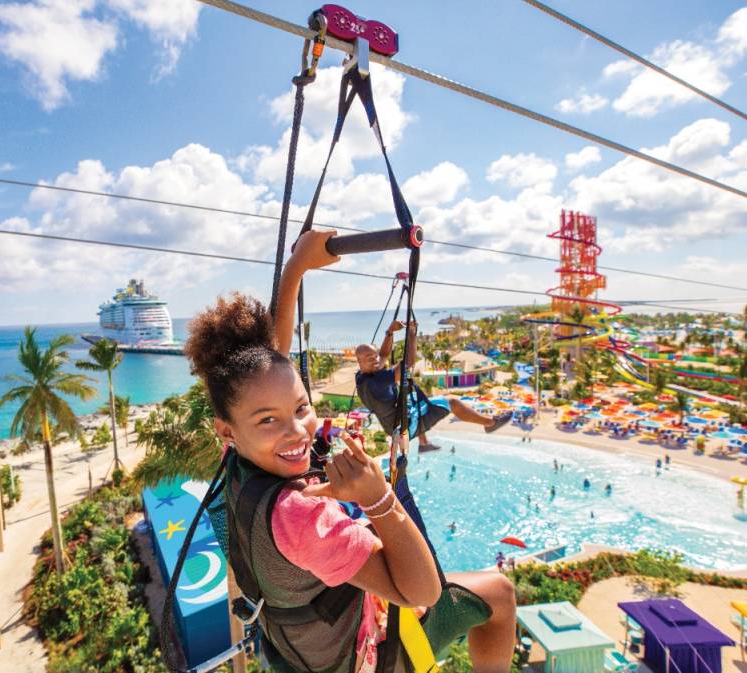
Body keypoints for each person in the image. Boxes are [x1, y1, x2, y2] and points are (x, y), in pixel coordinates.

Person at [184, 230, 516, 673]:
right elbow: (422, 592)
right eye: (269, 420)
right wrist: (378, 499)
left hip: (297, 650)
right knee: (499, 593)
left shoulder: (237, 462)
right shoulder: (301, 517)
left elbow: (270, 369)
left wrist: (295, 270)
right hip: (367, 657)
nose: (296, 430)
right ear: (229, 429)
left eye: (301, 407)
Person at [354, 321, 511, 452]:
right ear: (360, 361)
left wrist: (389, 332)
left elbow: (383, 356)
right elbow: (408, 364)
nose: (375, 360)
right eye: (369, 358)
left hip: (394, 423)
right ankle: (490, 424)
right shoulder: (378, 381)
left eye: (374, 355)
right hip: (405, 426)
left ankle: (424, 444)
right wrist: (412, 334)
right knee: (452, 403)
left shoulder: (361, 377)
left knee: (415, 397)